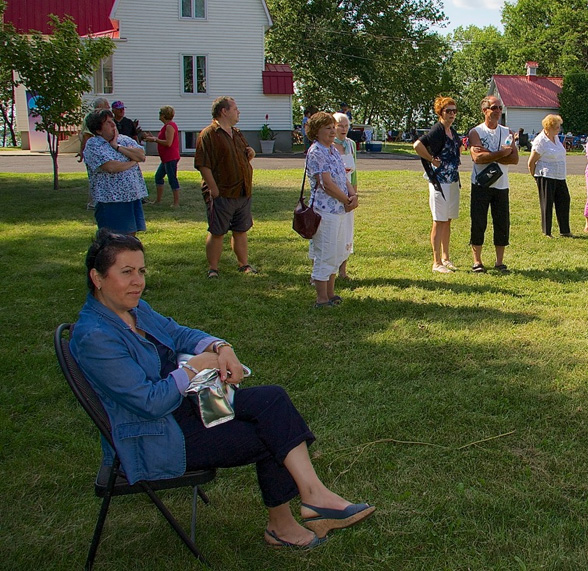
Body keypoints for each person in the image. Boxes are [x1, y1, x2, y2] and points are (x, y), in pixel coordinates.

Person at [71, 230, 373, 549]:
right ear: (97, 277)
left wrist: (220, 346)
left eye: (141, 271)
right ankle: (283, 524)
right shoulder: (96, 337)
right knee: (269, 433)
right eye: (126, 272)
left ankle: (314, 496)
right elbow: (148, 403)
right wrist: (194, 367)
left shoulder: (133, 309)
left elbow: (178, 333)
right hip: (158, 436)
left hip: (183, 408)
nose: (138, 282)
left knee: (272, 399)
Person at [194, 96, 258, 279]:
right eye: (235, 109)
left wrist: (251, 153)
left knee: (241, 230)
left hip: (242, 191)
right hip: (222, 192)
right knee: (217, 231)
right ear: (224, 111)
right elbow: (203, 164)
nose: (238, 112)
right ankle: (213, 268)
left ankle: (243, 264)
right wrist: (213, 189)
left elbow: (243, 154)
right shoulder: (208, 134)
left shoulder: (236, 133)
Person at [306, 112, 358, 306]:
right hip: (325, 211)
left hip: (340, 210)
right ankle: (321, 298)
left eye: (332, 127)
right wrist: (346, 200)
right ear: (316, 131)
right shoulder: (316, 152)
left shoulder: (332, 150)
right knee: (325, 254)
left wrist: (352, 195)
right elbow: (326, 184)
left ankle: (330, 293)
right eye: (327, 128)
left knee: (335, 253)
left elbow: (343, 177)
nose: (332, 131)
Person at [468, 95, 519, 273]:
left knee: (502, 223)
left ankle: (499, 262)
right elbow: (477, 158)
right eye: (494, 108)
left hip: (501, 185)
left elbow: (514, 158)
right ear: (484, 110)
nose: (498, 111)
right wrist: (501, 153)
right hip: (481, 184)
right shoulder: (476, 132)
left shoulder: (507, 132)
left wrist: (490, 154)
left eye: (500, 108)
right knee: (478, 222)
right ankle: (477, 261)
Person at [414, 96, 462, 273]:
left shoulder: (452, 131)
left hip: (452, 181)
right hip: (439, 182)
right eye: (448, 111)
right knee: (439, 220)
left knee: (447, 220)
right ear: (440, 112)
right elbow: (417, 145)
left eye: (454, 111)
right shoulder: (437, 130)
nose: (452, 114)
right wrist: (431, 159)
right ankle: (437, 262)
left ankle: (446, 258)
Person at [82, 109, 148, 235]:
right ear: (98, 130)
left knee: (131, 238)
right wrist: (132, 162)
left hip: (131, 196)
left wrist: (117, 147)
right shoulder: (93, 145)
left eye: (112, 120)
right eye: (108, 122)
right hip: (110, 200)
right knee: (114, 239)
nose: (113, 124)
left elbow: (141, 155)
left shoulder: (124, 140)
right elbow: (111, 167)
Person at [527, 114, 571, 237]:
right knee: (547, 204)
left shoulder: (556, 138)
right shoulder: (540, 141)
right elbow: (531, 162)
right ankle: (547, 232)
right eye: (556, 127)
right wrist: (535, 177)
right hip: (546, 175)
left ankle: (565, 230)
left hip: (559, 176)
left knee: (564, 200)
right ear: (549, 127)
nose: (559, 129)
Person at [333, 112, 358, 280]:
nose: (343, 129)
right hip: (333, 192)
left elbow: (354, 174)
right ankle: (325, 271)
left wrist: (354, 195)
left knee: (346, 231)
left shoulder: (351, 145)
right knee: (331, 232)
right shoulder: (328, 145)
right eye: (340, 126)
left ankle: (342, 271)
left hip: (349, 193)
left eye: (346, 126)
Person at [145, 106, 181, 207]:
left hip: (170, 157)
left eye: (160, 113)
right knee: (158, 177)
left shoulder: (169, 126)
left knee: (172, 178)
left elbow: (168, 143)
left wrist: (155, 139)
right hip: (165, 158)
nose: (159, 115)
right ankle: (158, 200)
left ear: (164, 115)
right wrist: (153, 138)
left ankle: (176, 203)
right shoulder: (166, 126)